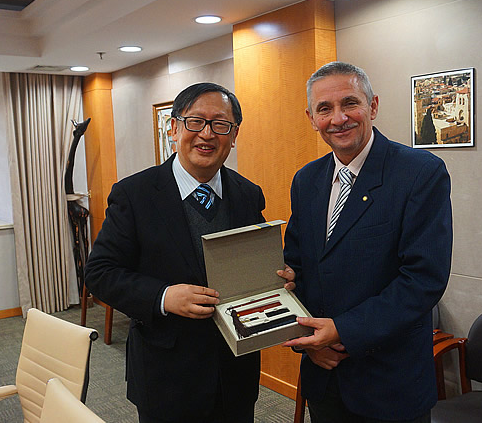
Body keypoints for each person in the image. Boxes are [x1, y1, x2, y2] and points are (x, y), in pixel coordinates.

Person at [85, 82, 289, 423]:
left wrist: (278, 276)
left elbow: (255, 261)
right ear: (174, 128)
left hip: (235, 372)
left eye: (220, 124)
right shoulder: (135, 194)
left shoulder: (247, 194)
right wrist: (164, 296)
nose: (206, 134)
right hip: (166, 375)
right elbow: (100, 273)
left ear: (234, 135)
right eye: (195, 121)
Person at [282, 62, 453, 422]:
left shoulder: (420, 173)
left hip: (389, 383)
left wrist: (342, 331)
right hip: (324, 376)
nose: (338, 118)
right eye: (324, 109)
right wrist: (308, 342)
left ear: (372, 106)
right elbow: (297, 268)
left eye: (350, 103)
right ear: (311, 118)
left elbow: (423, 280)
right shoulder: (306, 180)